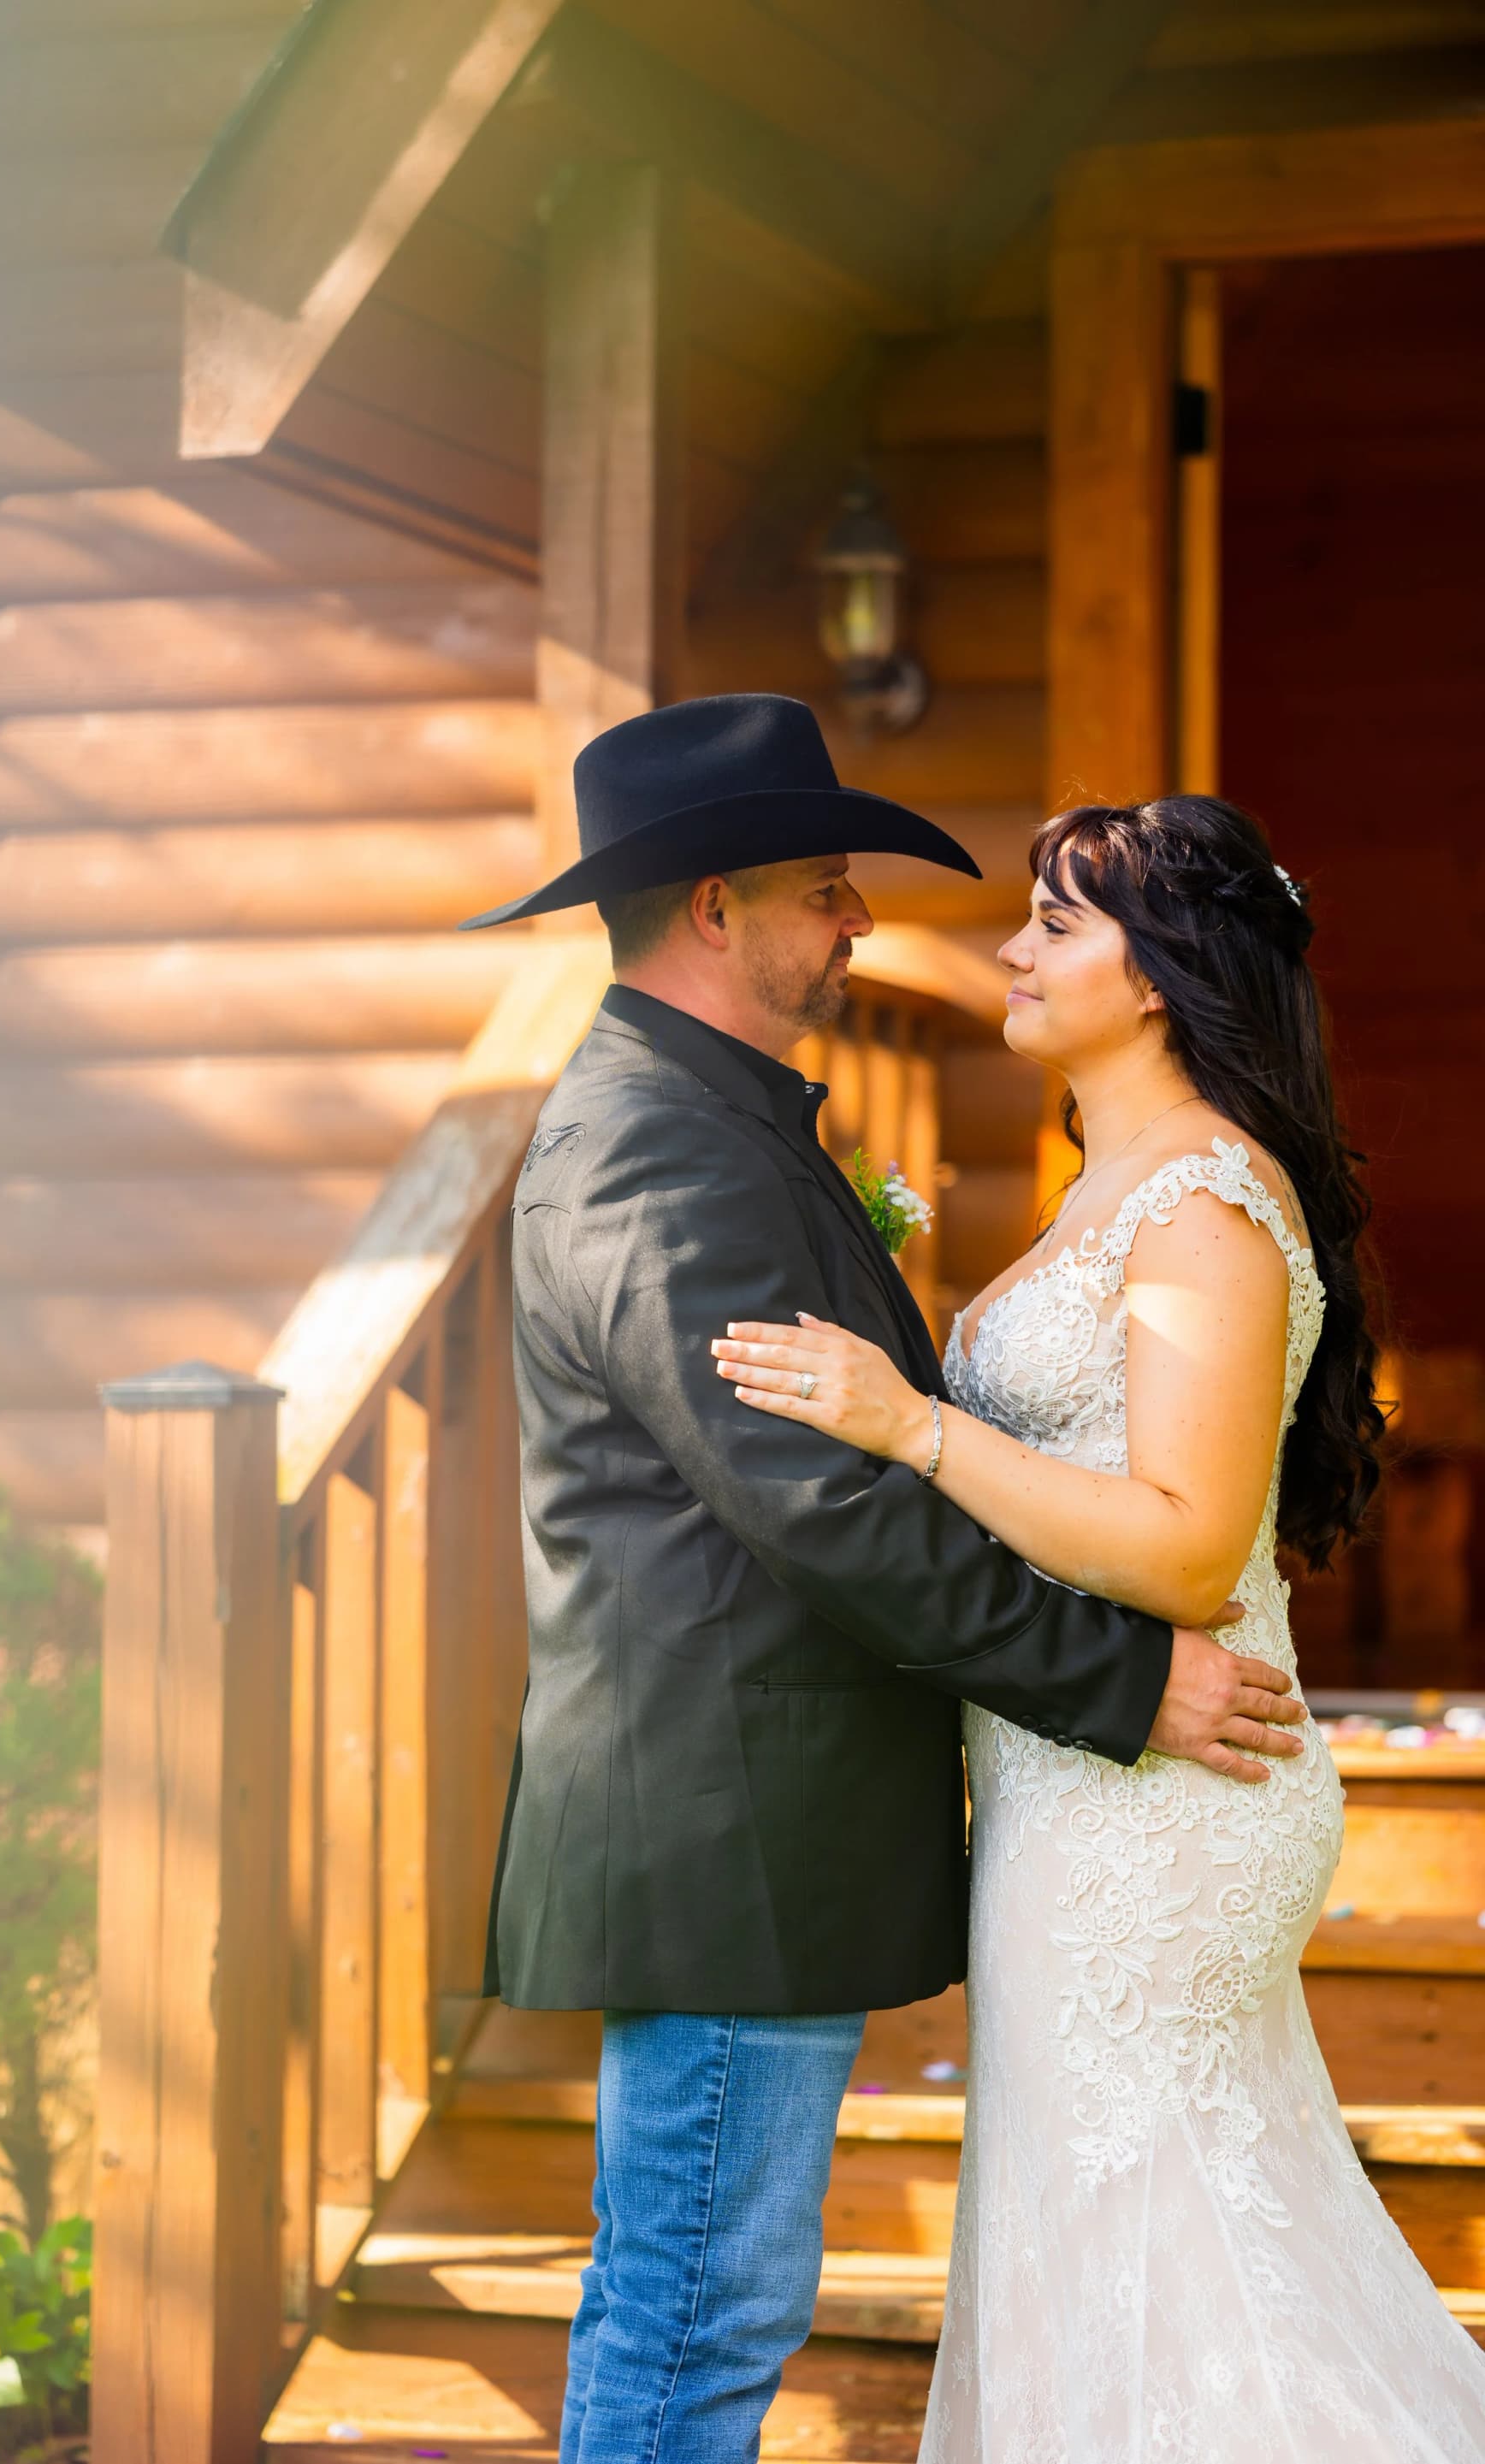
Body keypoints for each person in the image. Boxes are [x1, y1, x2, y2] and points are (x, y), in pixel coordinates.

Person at [461, 700, 1307, 2464]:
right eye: (827, 888)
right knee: (696, 2312)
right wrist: (1117, 1677)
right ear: (715, 906)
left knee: (705, 2303)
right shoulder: (655, 1145)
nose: (863, 922)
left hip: (773, 1830)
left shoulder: (729, 1120)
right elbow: (822, 1507)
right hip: (727, 1830)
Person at [713, 793, 1485, 2460]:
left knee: (1172, 2274)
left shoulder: (1203, 1196)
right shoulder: (1109, 1186)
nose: (1011, 947)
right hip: (1075, 1784)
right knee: (1119, 2265)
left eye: (1056, 922)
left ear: (1155, 976)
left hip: (1164, 1802)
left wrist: (914, 1426)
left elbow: (1191, 1548)